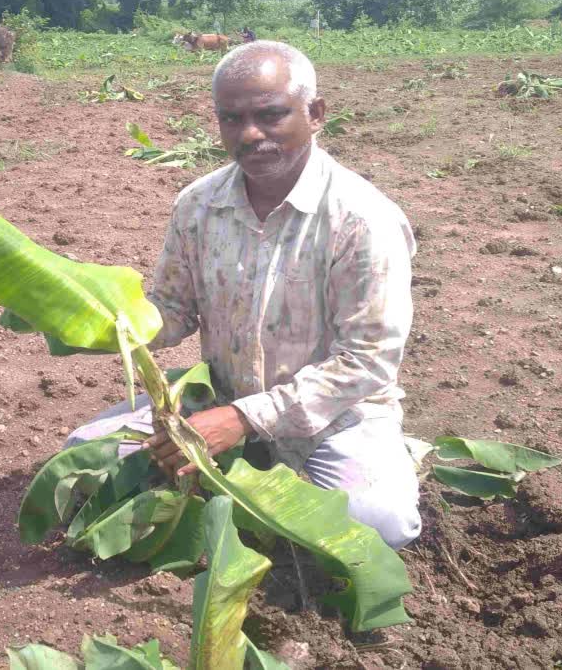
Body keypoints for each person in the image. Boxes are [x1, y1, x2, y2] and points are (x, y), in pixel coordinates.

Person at [65, 41, 421, 550]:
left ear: (315, 114)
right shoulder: (198, 204)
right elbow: (170, 310)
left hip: (334, 417)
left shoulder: (362, 220)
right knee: (82, 459)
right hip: (220, 396)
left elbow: (367, 362)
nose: (250, 135)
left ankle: (384, 457)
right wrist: (90, 320)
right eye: (231, 119)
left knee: (377, 523)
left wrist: (244, 420)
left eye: (271, 116)